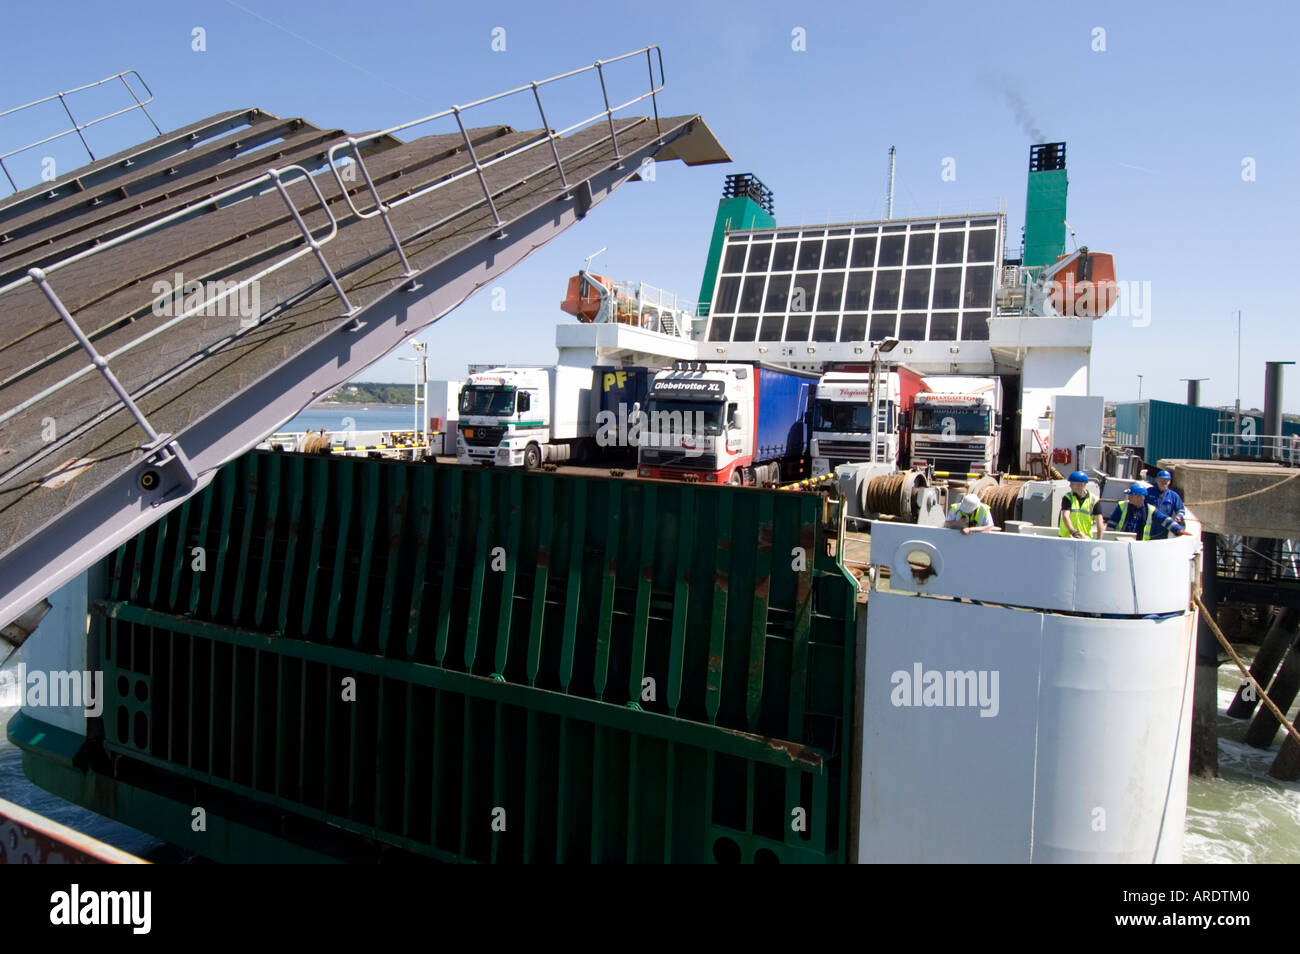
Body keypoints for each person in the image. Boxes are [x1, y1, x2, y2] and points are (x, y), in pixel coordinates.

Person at [1108, 483, 1186, 540]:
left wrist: (1178, 530)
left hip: (1140, 544)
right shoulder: (1122, 506)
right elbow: (1111, 524)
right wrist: (1109, 538)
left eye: (1131, 495)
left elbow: (1164, 520)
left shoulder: (1150, 510)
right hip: (1121, 541)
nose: (1129, 497)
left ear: (1139, 497)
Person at [1058, 470, 1105, 539]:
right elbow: (1065, 516)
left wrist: (1099, 541)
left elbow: (1100, 522)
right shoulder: (1068, 498)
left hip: (1085, 539)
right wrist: (1073, 532)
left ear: (1081, 484)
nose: (1070, 485)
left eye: (1072, 483)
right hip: (1066, 537)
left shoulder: (1094, 500)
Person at [1145, 469, 1186, 540]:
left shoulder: (1174, 496)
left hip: (1163, 529)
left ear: (1169, 482)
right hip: (1148, 527)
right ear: (1157, 480)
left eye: (1166, 480)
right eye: (1161, 479)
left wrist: (1178, 516)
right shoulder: (1148, 492)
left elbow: (1181, 510)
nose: (1163, 482)